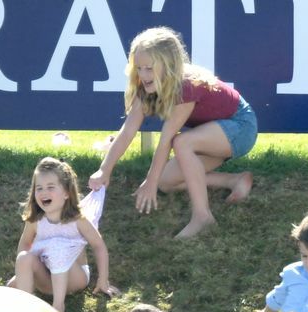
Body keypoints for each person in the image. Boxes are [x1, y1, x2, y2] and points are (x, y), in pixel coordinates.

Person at [89, 26, 257, 238]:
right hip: (212, 135)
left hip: (240, 127)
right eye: (138, 68)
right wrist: (104, 170)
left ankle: (202, 216)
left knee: (181, 143)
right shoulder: (145, 86)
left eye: (149, 68)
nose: (143, 75)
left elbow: (166, 140)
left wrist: (150, 181)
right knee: (166, 182)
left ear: (168, 65)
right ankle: (234, 180)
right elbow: (127, 131)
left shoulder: (185, 85)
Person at [10, 157, 118, 312]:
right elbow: (24, 246)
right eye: (39, 188)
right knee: (24, 258)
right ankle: (24, 309)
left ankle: (58, 306)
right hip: (47, 282)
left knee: (57, 246)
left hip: (75, 279)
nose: (43, 192)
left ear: (67, 192)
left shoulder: (78, 220)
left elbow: (98, 246)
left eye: (50, 187)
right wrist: (23, 273)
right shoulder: (35, 220)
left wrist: (103, 279)